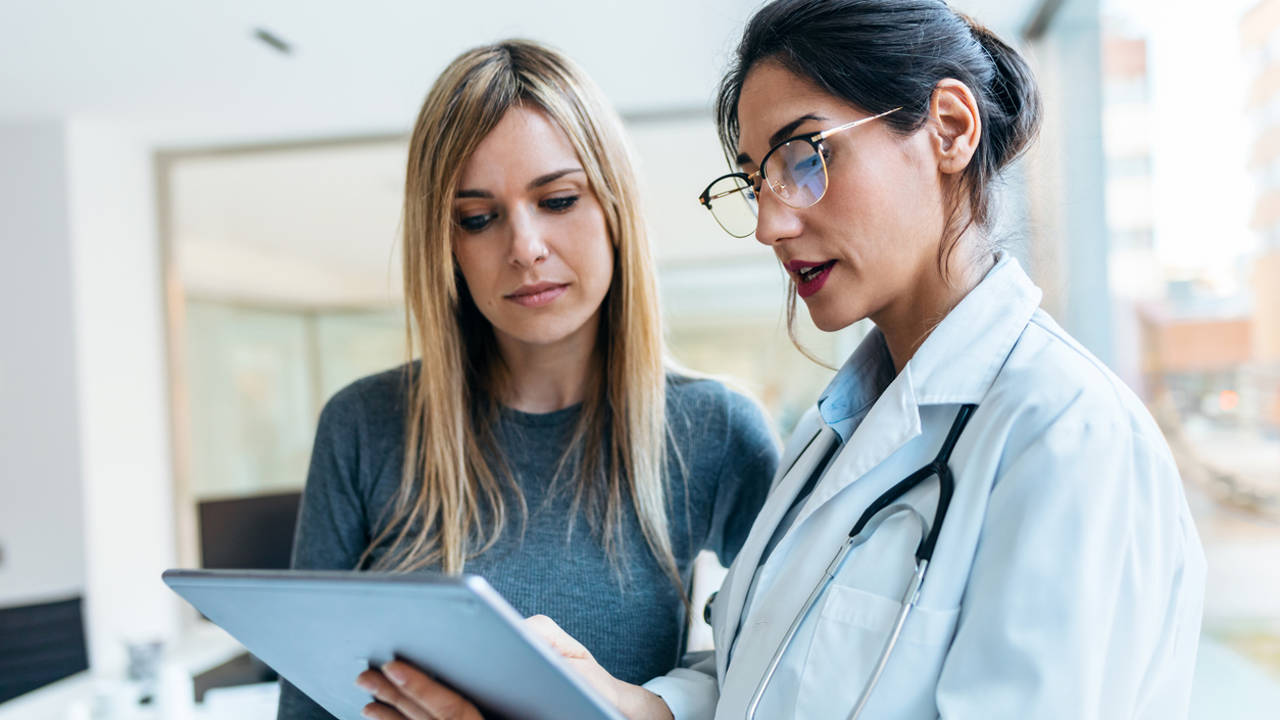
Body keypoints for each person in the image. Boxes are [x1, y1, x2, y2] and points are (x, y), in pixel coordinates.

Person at [355, 2, 1207, 719]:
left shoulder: (1066, 436)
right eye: (756, 179)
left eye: (806, 157)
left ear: (948, 128)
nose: (770, 223)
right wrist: (616, 701)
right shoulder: (835, 435)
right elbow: (750, 675)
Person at [276, 39, 781, 720]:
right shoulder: (365, 427)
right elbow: (305, 706)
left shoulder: (714, 431)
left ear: (613, 208)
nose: (524, 248)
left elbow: (784, 675)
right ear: (445, 243)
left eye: (559, 199)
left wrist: (656, 709)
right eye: (478, 218)